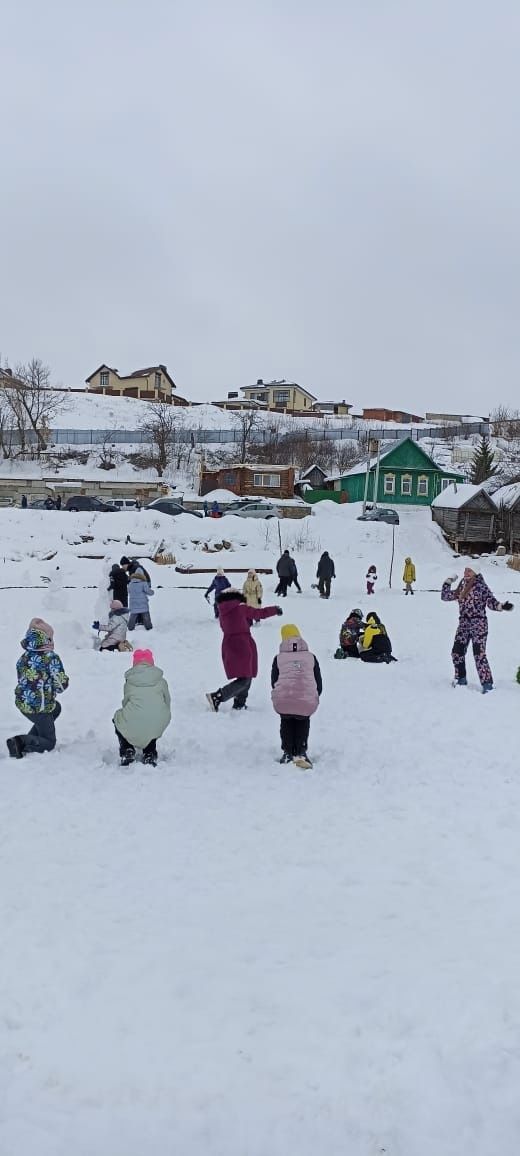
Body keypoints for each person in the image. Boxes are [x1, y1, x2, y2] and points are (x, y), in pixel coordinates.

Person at [206, 588, 282, 711]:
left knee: (247, 674)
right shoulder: (240, 608)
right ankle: (217, 696)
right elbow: (258, 613)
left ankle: (240, 703)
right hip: (242, 644)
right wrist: (274, 610)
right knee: (245, 677)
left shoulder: (222, 611)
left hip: (229, 643)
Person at [441, 565, 513, 691]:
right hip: (464, 624)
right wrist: (448, 582)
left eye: (469, 570)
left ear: (475, 572)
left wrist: (501, 606)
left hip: (478, 624)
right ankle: (461, 678)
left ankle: (487, 685)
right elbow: (445, 596)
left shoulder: (481, 587)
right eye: (465, 570)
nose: (466, 572)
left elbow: (491, 601)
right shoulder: (462, 586)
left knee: (479, 654)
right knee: (456, 652)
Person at [7, 622, 69, 758]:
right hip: (40, 708)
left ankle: (31, 738)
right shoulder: (50, 658)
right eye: (51, 638)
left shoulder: (24, 657)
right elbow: (61, 686)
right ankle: (20, 742)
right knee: (49, 743)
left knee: (56, 708)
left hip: (23, 703)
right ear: (45, 640)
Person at [271, 624, 322, 769]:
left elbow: (274, 680)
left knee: (286, 721)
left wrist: (280, 694)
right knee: (302, 721)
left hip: (283, 699)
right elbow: (318, 681)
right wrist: (314, 695)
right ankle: (300, 751)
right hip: (306, 700)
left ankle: (287, 752)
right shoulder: (311, 657)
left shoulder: (279, 658)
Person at [113, 649, 171, 766]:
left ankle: (127, 749)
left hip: (135, 718)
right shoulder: (161, 681)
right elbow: (167, 701)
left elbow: (126, 703)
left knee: (118, 718)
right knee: (153, 719)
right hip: (158, 720)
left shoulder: (130, 682)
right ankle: (150, 752)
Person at [127, 563, 154, 631]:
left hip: (133, 603)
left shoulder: (130, 583)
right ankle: (149, 627)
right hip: (143, 603)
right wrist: (152, 592)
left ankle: (130, 627)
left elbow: (129, 591)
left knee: (133, 616)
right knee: (146, 616)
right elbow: (148, 591)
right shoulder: (143, 583)